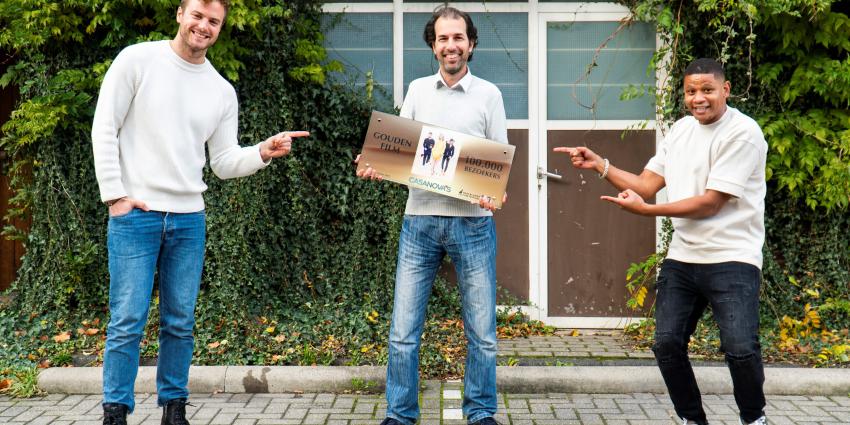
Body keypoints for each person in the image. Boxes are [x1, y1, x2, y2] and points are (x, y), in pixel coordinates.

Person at [90, 1, 309, 424]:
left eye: (213, 21)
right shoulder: (137, 60)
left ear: (220, 27)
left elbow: (223, 162)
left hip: (189, 220)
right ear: (180, 14)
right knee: (127, 321)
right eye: (197, 15)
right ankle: (115, 411)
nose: (203, 26)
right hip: (136, 216)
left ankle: (174, 410)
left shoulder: (221, 90)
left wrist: (262, 152)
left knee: (179, 322)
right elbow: (104, 127)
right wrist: (115, 197)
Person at [555, 58, 767, 425]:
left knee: (740, 348)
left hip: (733, 256)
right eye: (691, 91)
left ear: (726, 90)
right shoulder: (681, 130)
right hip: (684, 257)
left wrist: (647, 212)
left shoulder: (743, 133)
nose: (698, 98)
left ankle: (753, 418)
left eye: (707, 90)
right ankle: (692, 419)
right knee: (667, 344)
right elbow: (646, 184)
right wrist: (600, 165)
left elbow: (710, 203)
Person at [356, 6, 508, 425]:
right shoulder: (418, 90)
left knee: (483, 334)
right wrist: (375, 165)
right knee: (403, 332)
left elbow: (498, 165)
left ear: (470, 44)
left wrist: (496, 191)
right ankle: (400, 414)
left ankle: (481, 413)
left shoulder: (490, 95)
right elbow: (396, 153)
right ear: (433, 45)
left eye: (458, 37)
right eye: (443, 38)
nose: (450, 45)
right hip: (419, 222)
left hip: (474, 225)